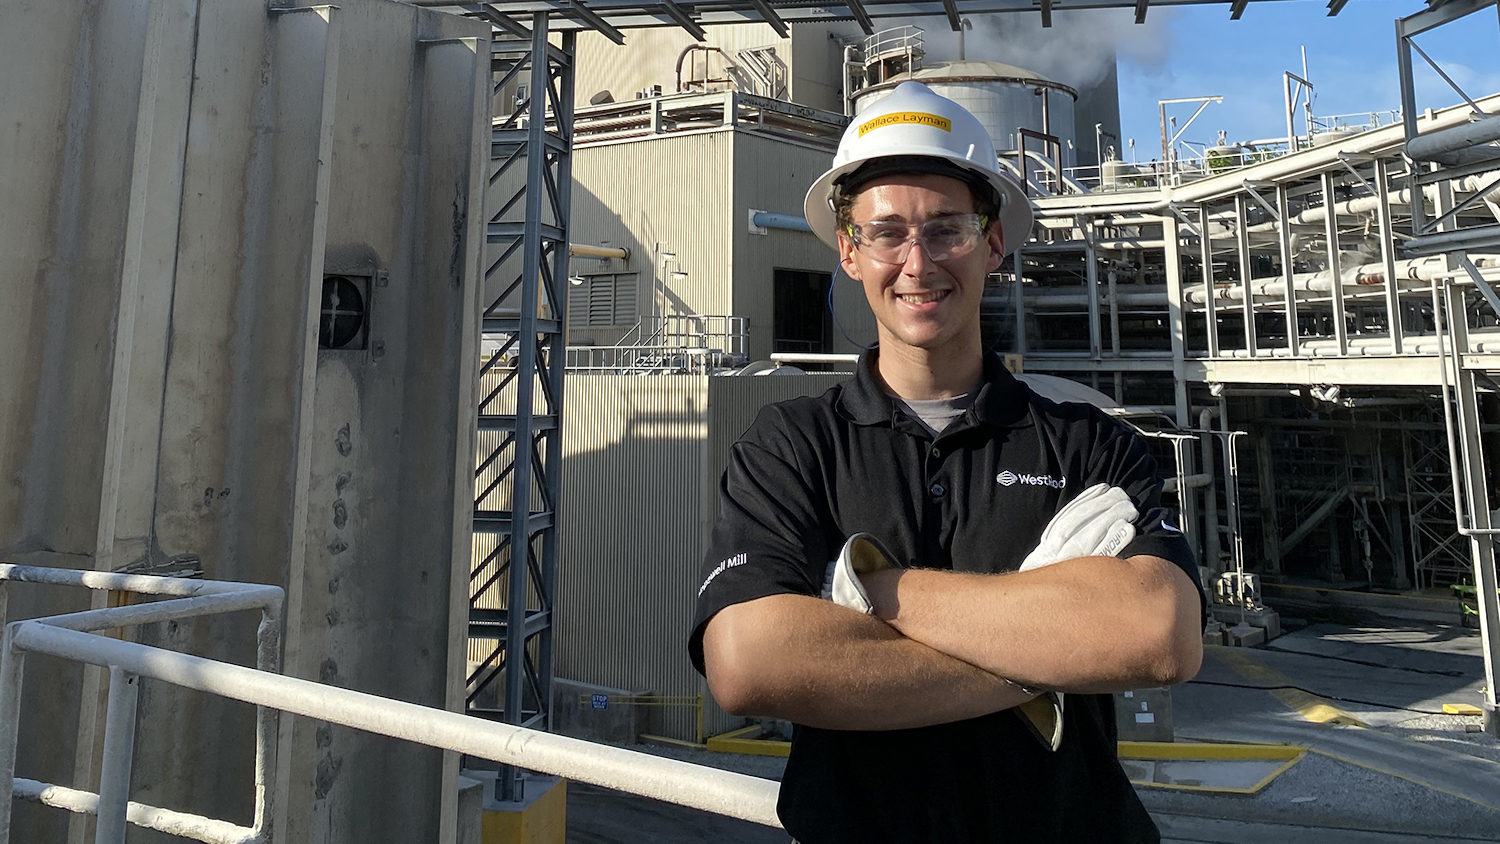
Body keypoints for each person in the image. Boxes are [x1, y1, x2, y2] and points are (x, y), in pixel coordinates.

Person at [688, 82, 1205, 843]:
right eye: (887, 232)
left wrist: (871, 591)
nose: (918, 262)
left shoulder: (1089, 442)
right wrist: (1049, 649)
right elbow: (749, 662)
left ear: (995, 242)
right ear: (849, 249)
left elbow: (1158, 633)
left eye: (947, 229)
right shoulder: (792, 445)